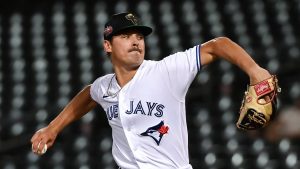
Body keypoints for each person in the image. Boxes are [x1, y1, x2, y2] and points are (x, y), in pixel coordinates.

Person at [31, 12, 272, 169]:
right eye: (126, 36)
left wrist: (255, 70)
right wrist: (53, 127)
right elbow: (89, 94)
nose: (136, 41)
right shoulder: (104, 86)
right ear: (107, 45)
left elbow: (218, 45)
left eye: (139, 36)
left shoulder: (165, 71)